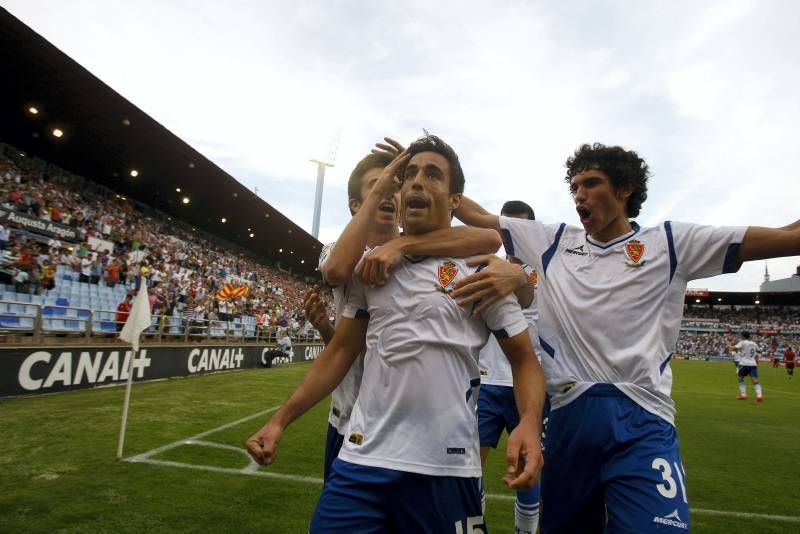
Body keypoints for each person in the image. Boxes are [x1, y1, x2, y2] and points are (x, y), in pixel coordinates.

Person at [453, 142, 800, 532]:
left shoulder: (671, 243)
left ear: (624, 189)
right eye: (575, 186)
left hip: (643, 418)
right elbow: (476, 214)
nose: (579, 194)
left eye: (592, 183)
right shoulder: (553, 240)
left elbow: (789, 237)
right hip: (569, 417)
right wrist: (428, 169)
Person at [248, 135, 545, 532]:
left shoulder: (479, 268)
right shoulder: (371, 268)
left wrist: (528, 421)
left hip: (446, 466)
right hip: (362, 459)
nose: (417, 182)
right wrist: (280, 420)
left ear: (456, 200)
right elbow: (340, 352)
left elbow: (524, 359)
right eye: (409, 175)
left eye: (432, 175)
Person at [303, 145, 502, 480]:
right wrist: (326, 330)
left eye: (396, 186)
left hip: (410, 424)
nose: (390, 193)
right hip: (350, 409)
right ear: (356, 204)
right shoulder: (343, 251)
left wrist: (423, 188)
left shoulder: (417, 249)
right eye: (378, 186)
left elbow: (488, 236)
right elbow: (338, 282)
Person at [476, 200, 541, 534]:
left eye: (523, 229)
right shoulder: (485, 267)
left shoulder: (543, 271)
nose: (516, 236)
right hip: (486, 384)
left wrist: (518, 277)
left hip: (525, 389)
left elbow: (527, 296)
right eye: (509, 228)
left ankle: (525, 531)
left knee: (528, 472)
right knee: (471, 467)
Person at [735, 332, 763, 401]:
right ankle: (759, 396)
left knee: (740, 377)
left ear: (743, 336)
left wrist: (731, 347)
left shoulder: (743, 342)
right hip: (753, 364)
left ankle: (743, 394)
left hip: (744, 363)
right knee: (755, 380)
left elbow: (734, 348)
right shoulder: (754, 343)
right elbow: (759, 351)